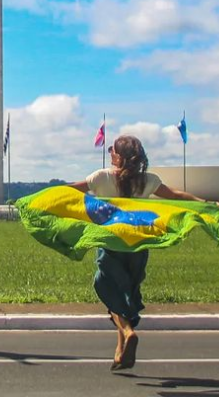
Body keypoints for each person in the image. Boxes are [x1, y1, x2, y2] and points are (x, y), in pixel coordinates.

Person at [70, 134, 211, 371]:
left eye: (112, 150)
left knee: (107, 288)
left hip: (111, 243)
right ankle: (120, 351)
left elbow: (71, 191)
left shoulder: (101, 177)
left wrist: (41, 196)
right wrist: (204, 202)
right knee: (127, 294)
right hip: (137, 245)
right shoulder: (148, 180)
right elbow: (177, 197)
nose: (109, 154)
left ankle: (128, 331)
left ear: (119, 155)